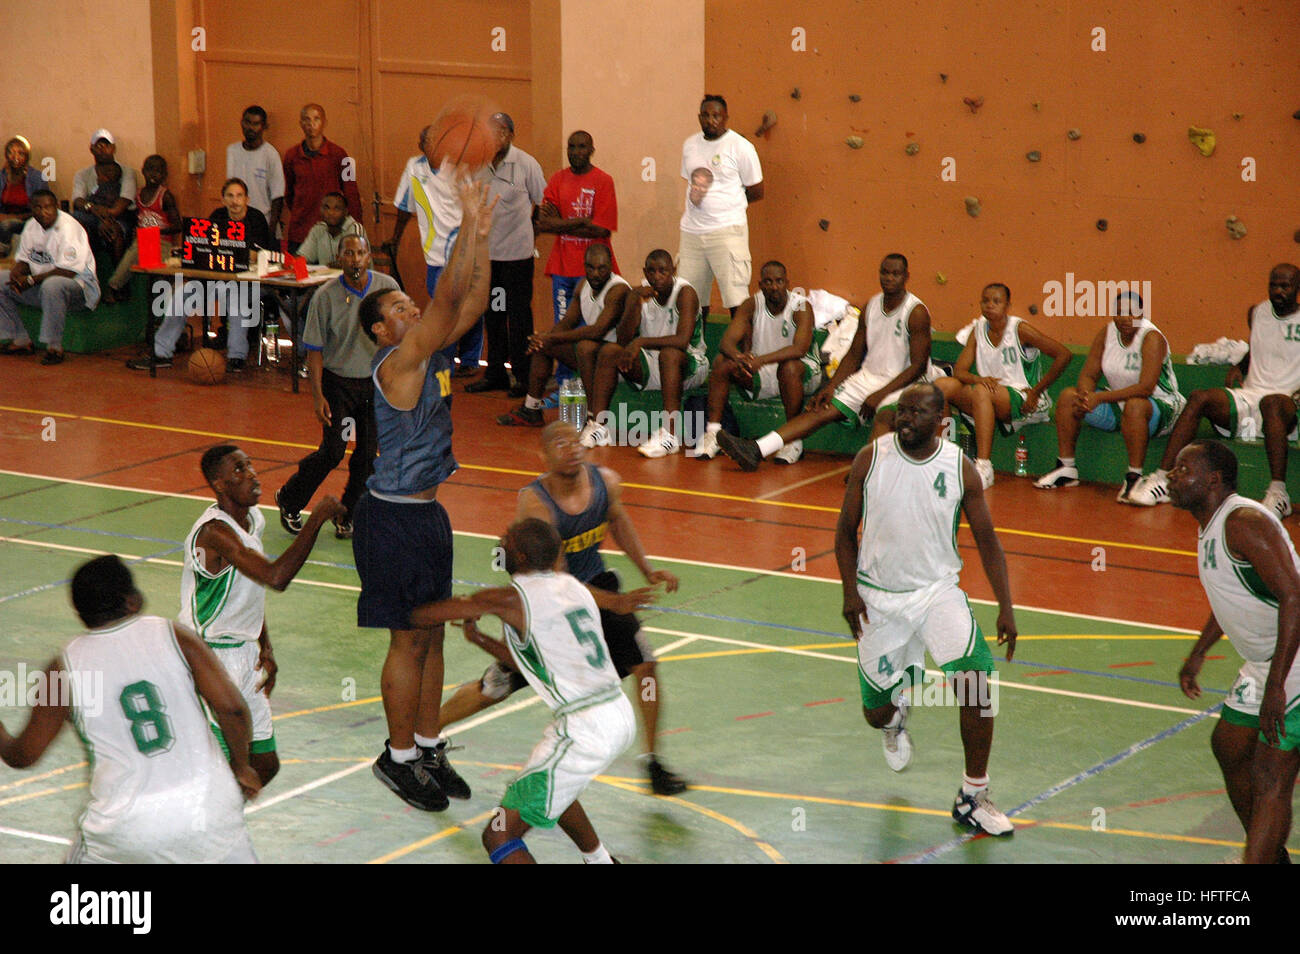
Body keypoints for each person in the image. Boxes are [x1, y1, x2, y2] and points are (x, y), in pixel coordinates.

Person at [439, 422, 689, 794]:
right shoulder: (536, 502)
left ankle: (652, 764)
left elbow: (618, 521)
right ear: (544, 455)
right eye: (560, 443)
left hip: (595, 591)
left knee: (646, 665)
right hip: (547, 605)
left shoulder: (606, 481)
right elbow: (559, 583)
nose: (570, 448)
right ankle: (425, 734)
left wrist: (648, 569)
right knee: (497, 685)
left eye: (575, 441)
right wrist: (617, 602)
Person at [352, 168, 496, 812]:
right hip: (391, 522)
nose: (409, 308)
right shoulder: (400, 361)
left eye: (408, 304)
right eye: (396, 309)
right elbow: (445, 304)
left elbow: (470, 300)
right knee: (407, 637)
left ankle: (430, 744)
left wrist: (484, 234)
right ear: (381, 333)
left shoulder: (429, 353)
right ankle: (399, 755)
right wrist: (464, 221)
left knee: (433, 635)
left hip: (429, 516)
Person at [836, 383, 1018, 836]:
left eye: (916, 413)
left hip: (937, 592)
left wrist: (1006, 607)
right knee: (874, 712)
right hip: (879, 598)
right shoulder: (870, 458)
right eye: (901, 411)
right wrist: (849, 593)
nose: (905, 419)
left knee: (976, 678)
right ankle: (894, 715)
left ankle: (972, 795)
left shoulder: (960, 468)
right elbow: (843, 533)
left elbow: (988, 541)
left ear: (941, 422)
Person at [410, 518, 648, 863]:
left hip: (585, 729)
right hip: (616, 715)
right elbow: (538, 660)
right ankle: (600, 861)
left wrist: (396, 605)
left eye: (505, 539)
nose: (498, 542)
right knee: (556, 787)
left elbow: (434, 614)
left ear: (519, 553)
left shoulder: (511, 598)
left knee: (499, 833)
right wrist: (480, 640)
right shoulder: (571, 587)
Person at [0, 555, 261, 863]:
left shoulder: (63, 669)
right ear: (133, 601)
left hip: (126, 830)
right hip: (209, 814)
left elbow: (24, 754)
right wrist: (241, 766)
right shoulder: (174, 635)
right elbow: (231, 709)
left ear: (81, 613)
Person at [1171, 439, 1300, 864]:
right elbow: (1231, 593)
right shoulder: (1211, 523)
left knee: (1270, 774)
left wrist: (1277, 686)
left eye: (1182, 470)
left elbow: (1294, 598)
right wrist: (1199, 652)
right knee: (1229, 744)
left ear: (1212, 480)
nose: (1172, 477)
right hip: (1268, 659)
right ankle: (1269, 855)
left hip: (1294, 658)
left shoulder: (1243, 521)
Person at [183, 445, 342, 786]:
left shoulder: (253, 520)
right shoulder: (215, 532)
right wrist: (317, 518)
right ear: (220, 485)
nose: (252, 474)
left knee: (264, 764)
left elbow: (251, 587)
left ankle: (219, 824)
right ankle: (199, 828)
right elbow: (275, 578)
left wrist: (264, 646)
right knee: (220, 766)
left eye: (250, 465)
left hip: (244, 654)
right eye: (239, 470)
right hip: (210, 656)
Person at [718, 253, 933, 471]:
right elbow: (854, 355)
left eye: (895, 274)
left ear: (906, 277)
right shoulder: (871, 306)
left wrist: (880, 394)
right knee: (820, 409)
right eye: (885, 272)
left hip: (903, 382)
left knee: (886, 415)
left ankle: (866, 471)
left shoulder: (915, 312)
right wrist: (830, 386)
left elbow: (918, 366)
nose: (889, 278)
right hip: (869, 377)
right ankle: (756, 449)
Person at [1129, 264, 1300, 517]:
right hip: (1250, 396)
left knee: (1272, 403)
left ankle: (1278, 493)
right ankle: (1163, 479)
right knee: (1200, 397)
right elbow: (1264, 346)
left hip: (1284, 404)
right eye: (1273, 284)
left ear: (1297, 288)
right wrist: (1240, 365)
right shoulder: (1257, 313)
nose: (1278, 290)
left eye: (1285, 285)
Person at [276, 234, 395, 539]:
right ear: (339, 259)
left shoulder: (388, 289)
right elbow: (314, 349)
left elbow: (401, 339)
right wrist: (317, 396)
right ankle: (290, 498)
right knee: (333, 451)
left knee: (368, 454)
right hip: (338, 384)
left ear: (369, 257)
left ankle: (348, 513)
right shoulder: (325, 296)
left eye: (360, 253)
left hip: (373, 386)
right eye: (348, 254)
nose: (355, 259)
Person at [1036, 292, 1186, 500]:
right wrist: (1085, 396)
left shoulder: (1152, 337)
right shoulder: (1107, 333)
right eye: (1119, 313)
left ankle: (1134, 477)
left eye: (1131, 313)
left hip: (1161, 408)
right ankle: (1066, 468)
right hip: (1119, 405)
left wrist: (1101, 398)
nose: (1124, 318)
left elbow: (1145, 388)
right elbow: (1088, 374)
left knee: (1135, 405)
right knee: (1069, 397)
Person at [935, 283, 1071, 489]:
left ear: (1007, 305)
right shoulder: (978, 330)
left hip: (1027, 398)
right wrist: (978, 379)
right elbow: (961, 371)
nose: (990, 305)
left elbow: (1064, 354)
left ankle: (984, 466)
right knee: (941, 386)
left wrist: (1036, 391)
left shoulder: (1020, 329)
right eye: (986, 301)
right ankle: (943, 456)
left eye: (996, 301)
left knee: (982, 391)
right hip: (990, 396)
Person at [578, 249, 705, 457]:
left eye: (663, 271)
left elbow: (682, 341)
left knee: (670, 354)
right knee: (610, 351)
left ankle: (669, 435)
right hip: (654, 362)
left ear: (673, 270)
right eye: (652, 272)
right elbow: (623, 341)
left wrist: (641, 341)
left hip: (690, 364)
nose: (657, 277)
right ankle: (599, 426)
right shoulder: (641, 294)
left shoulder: (685, 293)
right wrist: (633, 302)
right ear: (645, 273)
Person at [694, 260, 822, 463]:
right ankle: (713, 434)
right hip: (763, 371)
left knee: (788, 368)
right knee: (721, 363)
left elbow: (799, 349)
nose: (774, 286)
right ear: (761, 284)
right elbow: (727, 342)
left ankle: (793, 441)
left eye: (779, 281)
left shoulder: (800, 305)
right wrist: (740, 358)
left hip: (802, 370)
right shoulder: (752, 304)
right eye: (769, 282)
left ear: (787, 283)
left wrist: (760, 360)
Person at [497, 244, 629, 427]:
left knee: (584, 347)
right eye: (591, 267)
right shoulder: (583, 285)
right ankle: (531, 409)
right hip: (591, 355)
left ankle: (592, 416)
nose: (596, 273)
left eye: (602, 268)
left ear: (611, 267)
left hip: (615, 360)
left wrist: (552, 338)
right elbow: (567, 323)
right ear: (584, 266)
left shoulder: (618, 289)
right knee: (545, 345)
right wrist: (543, 338)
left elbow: (598, 330)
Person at [464, 112, 546, 397]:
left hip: (518, 258)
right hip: (489, 258)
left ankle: (523, 377)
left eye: (499, 132)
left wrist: (529, 234)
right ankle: (496, 372)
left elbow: (542, 202)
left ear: (510, 135)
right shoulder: (478, 165)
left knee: (519, 316)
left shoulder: (525, 164)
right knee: (494, 314)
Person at [389, 125, 478, 375]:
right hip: (434, 254)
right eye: (427, 141)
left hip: (460, 251)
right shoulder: (414, 167)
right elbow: (404, 205)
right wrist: (395, 238)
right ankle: (444, 363)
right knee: (441, 307)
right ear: (421, 145)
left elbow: (472, 209)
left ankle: (467, 360)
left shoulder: (459, 168)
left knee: (463, 307)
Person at [535, 130, 619, 361]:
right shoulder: (558, 180)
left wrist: (560, 224)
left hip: (593, 271)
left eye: (582, 147)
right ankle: (565, 380)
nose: (575, 152)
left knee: (589, 328)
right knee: (562, 327)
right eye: (571, 147)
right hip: (562, 267)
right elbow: (543, 223)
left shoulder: (603, 181)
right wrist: (581, 222)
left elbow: (601, 229)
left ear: (591, 151)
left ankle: (586, 378)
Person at [678, 95, 763, 321]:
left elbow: (757, 191)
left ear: (725, 118)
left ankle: (740, 355)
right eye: (705, 115)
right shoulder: (690, 145)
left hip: (727, 232)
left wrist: (726, 206)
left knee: (736, 300)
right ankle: (697, 352)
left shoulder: (741, 147)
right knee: (691, 299)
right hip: (692, 234)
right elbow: (691, 182)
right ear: (699, 117)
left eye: (716, 115)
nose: (711, 120)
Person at [0, 189, 99, 365]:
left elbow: (68, 271)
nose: (43, 212)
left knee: (52, 285)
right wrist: (17, 273)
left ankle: (54, 347)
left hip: (79, 290)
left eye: (48, 207)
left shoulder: (68, 227)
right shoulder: (31, 226)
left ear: (57, 207)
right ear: (31, 209)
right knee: (2, 279)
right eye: (38, 208)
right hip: (42, 286)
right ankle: (20, 339)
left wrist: (30, 280)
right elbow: (24, 260)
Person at [282, 103, 363, 252]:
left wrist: (356, 230)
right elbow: (289, 193)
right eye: (306, 120)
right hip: (300, 232)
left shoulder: (341, 155)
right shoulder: (291, 156)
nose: (311, 124)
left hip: (332, 232)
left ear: (324, 122)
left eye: (316, 119)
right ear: (301, 123)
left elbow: (352, 194)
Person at [106, 154, 181, 302]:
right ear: (143, 171)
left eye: (158, 171)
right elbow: (135, 217)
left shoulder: (165, 196)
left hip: (162, 242)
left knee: (142, 248)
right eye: (150, 169)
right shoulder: (139, 194)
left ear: (164, 175)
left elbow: (178, 225)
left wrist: (156, 232)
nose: (154, 174)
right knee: (136, 247)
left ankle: (114, 286)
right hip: (144, 242)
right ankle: (115, 286)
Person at [71, 129, 138, 267]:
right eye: (98, 146)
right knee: (76, 222)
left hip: (120, 217)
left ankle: (118, 280)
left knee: (113, 231)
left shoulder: (126, 172)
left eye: (106, 145)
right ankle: (85, 274)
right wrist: (93, 208)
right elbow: (78, 200)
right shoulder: (82, 174)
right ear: (91, 149)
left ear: (113, 148)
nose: (102, 149)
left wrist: (106, 219)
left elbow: (122, 203)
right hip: (93, 215)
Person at [225, 105, 285, 240]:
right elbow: (229, 187)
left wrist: (271, 228)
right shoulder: (232, 151)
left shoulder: (271, 154)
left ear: (264, 126)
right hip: (236, 223)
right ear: (241, 123)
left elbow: (278, 196)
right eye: (247, 122)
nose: (251, 128)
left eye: (256, 124)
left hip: (263, 223)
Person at [0, 136, 44, 256]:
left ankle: (3, 255)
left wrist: (15, 217)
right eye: (11, 153)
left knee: (6, 224)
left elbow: (42, 209)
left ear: (27, 156)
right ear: (6, 156)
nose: (15, 157)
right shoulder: (2, 177)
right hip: (4, 218)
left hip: (28, 220)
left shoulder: (36, 177)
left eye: (20, 153)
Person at [297, 192, 366, 266]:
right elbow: (303, 257)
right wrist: (293, 263)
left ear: (346, 212)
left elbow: (356, 262)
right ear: (321, 210)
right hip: (326, 276)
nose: (330, 213)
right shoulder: (318, 229)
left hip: (356, 277)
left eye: (337, 208)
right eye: (326, 208)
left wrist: (330, 267)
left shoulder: (354, 228)